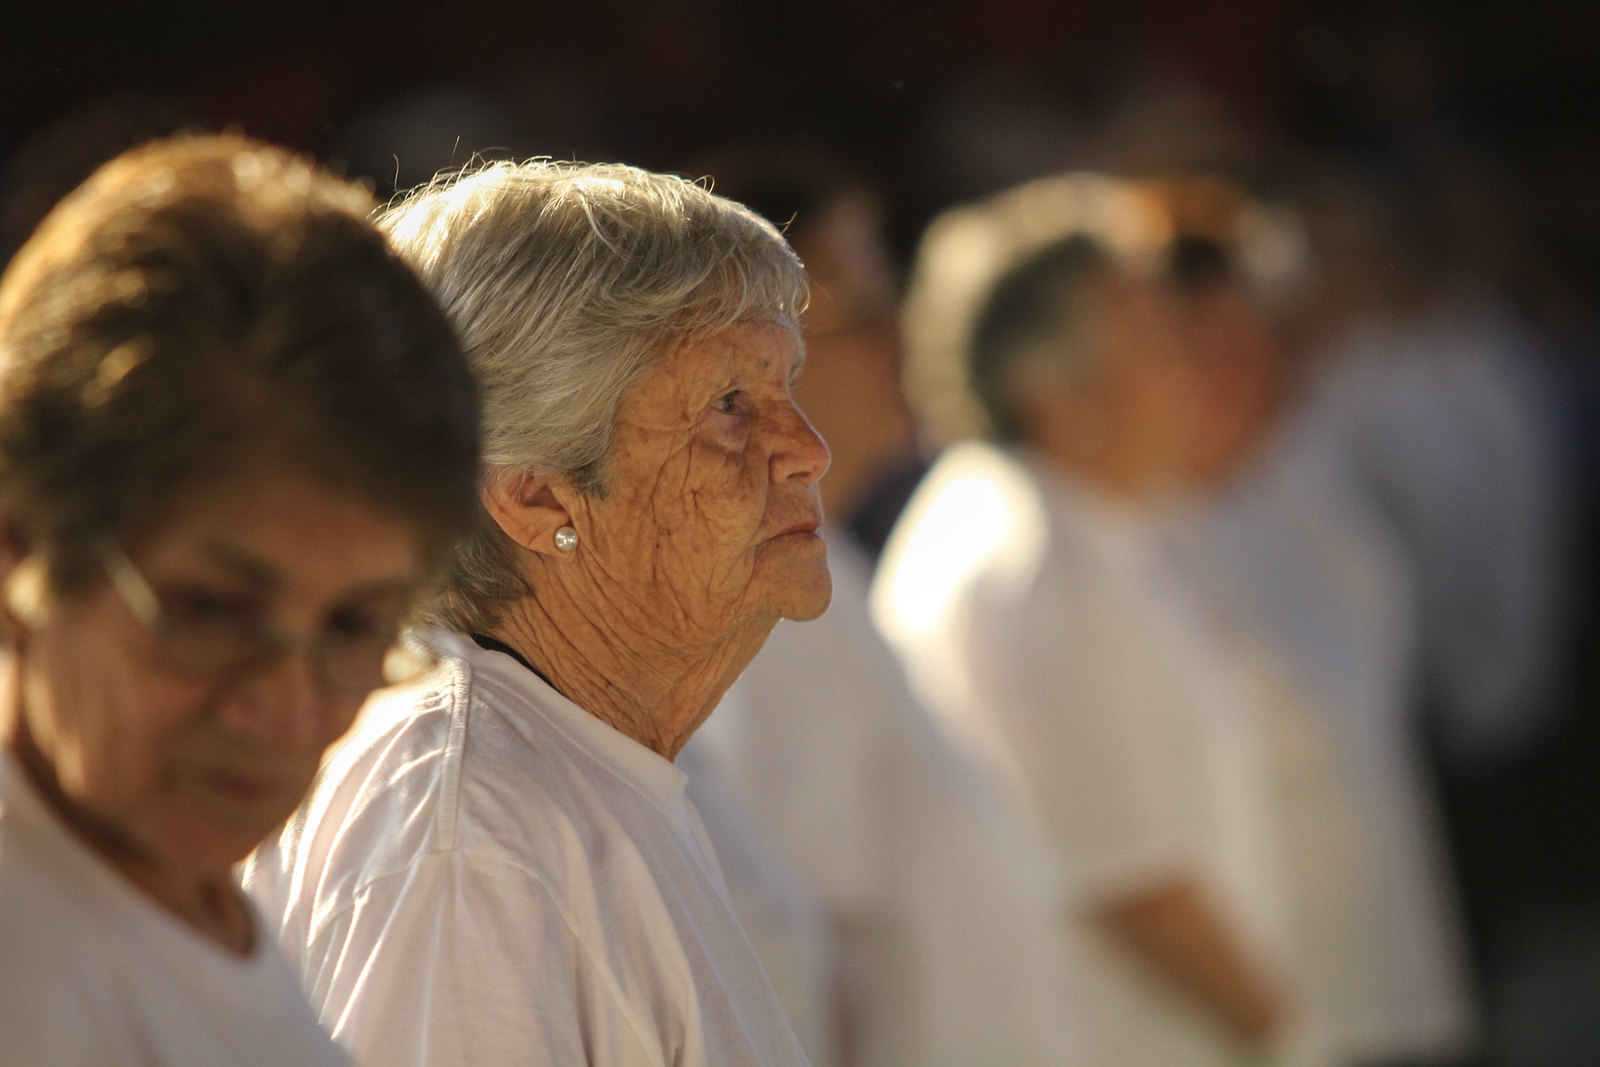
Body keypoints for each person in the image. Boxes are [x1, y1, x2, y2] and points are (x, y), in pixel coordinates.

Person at [246, 160, 827, 1065]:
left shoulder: (551, 770)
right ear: (538, 498)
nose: (809, 452)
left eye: (789, 388)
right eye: (729, 406)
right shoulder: (472, 829)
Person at [0, 134, 481, 1064]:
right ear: (21, 545)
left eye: (354, 626)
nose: (285, 708)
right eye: (210, 610)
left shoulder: (183, 901)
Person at [875, 208, 1304, 1066]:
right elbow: (1129, 880)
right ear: (1056, 393)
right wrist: (1281, 1033)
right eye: (1155, 338)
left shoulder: (1066, 529)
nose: (1192, 367)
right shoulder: (1035, 556)